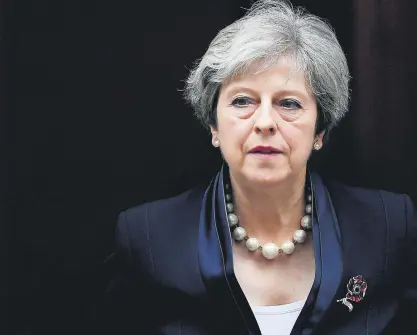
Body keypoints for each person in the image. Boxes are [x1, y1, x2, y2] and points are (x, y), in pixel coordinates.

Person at [102, 0, 417, 334]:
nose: (265, 122)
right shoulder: (148, 239)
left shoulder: (388, 227)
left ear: (320, 131)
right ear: (214, 125)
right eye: (242, 101)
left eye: (289, 103)